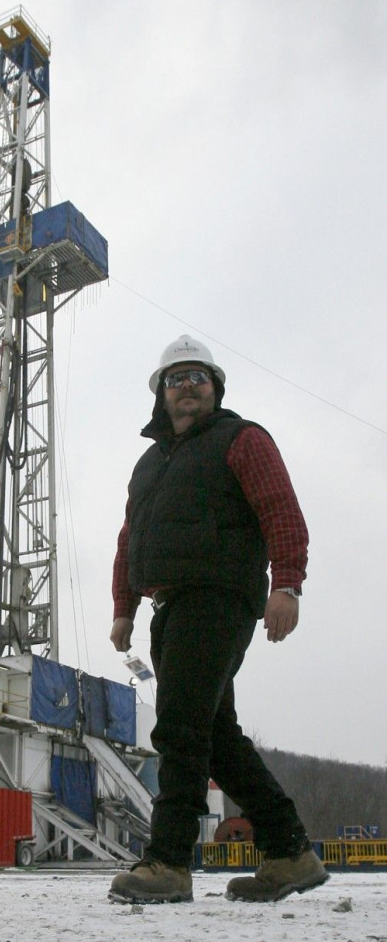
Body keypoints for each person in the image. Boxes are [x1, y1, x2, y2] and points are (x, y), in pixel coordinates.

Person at [107, 335, 328, 904]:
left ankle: (168, 863)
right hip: (170, 606)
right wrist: (123, 610)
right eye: (175, 378)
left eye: (197, 377)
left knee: (179, 724)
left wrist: (287, 584)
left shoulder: (242, 439)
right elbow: (131, 538)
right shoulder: (149, 464)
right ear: (161, 393)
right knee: (216, 736)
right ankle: (290, 853)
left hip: (220, 596)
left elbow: (281, 508)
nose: (187, 387)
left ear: (215, 387)